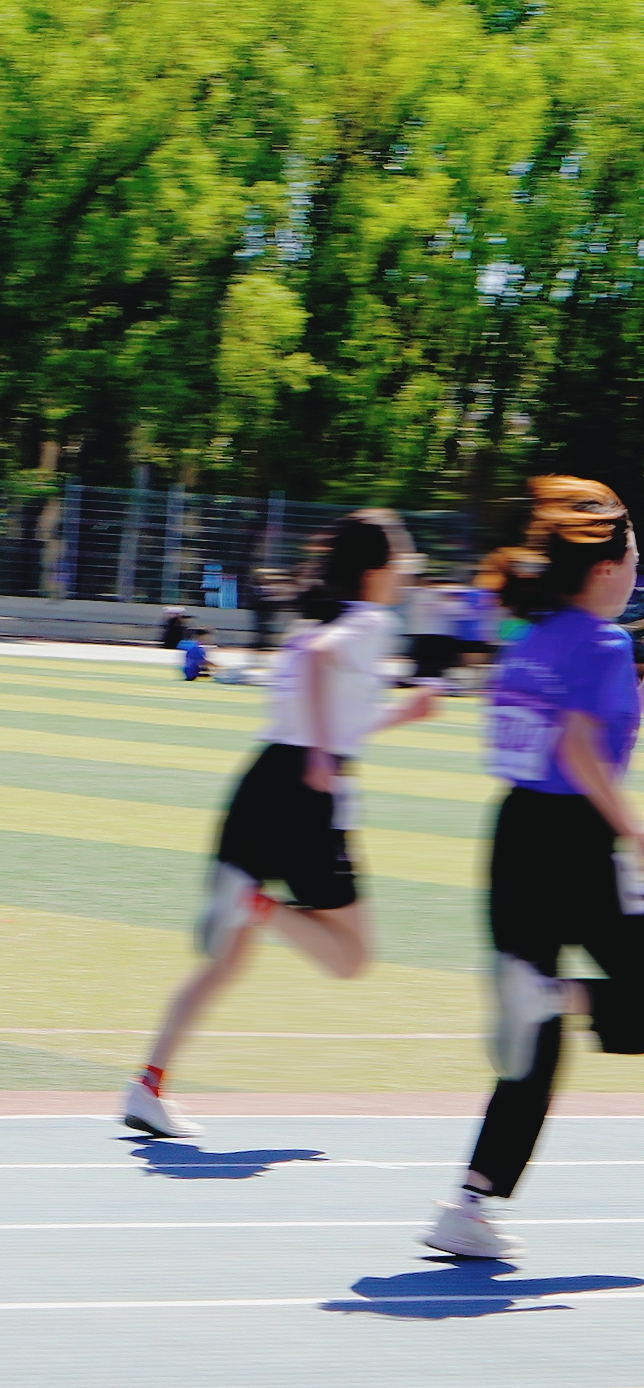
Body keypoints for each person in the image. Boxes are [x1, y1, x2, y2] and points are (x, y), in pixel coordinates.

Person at [121, 510, 437, 1138]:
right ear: (377, 568)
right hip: (305, 799)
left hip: (261, 786)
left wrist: (398, 717)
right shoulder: (369, 622)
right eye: (401, 557)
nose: (407, 569)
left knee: (226, 961)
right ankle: (257, 904)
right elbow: (322, 673)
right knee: (351, 957)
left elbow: (328, 708)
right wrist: (321, 754)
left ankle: (147, 1085)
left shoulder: (316, 621)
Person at [420, 477, 643, 1259]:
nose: (638, 571)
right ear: (605, 568)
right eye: (635, 557)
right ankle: (558, 992)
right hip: (574, 838)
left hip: (513, 835)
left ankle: (469, 1204)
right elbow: (580, 748)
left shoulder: (529, 636)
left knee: (533, 1044)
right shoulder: (601, 644)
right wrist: (635, 832)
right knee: (572, 1004)